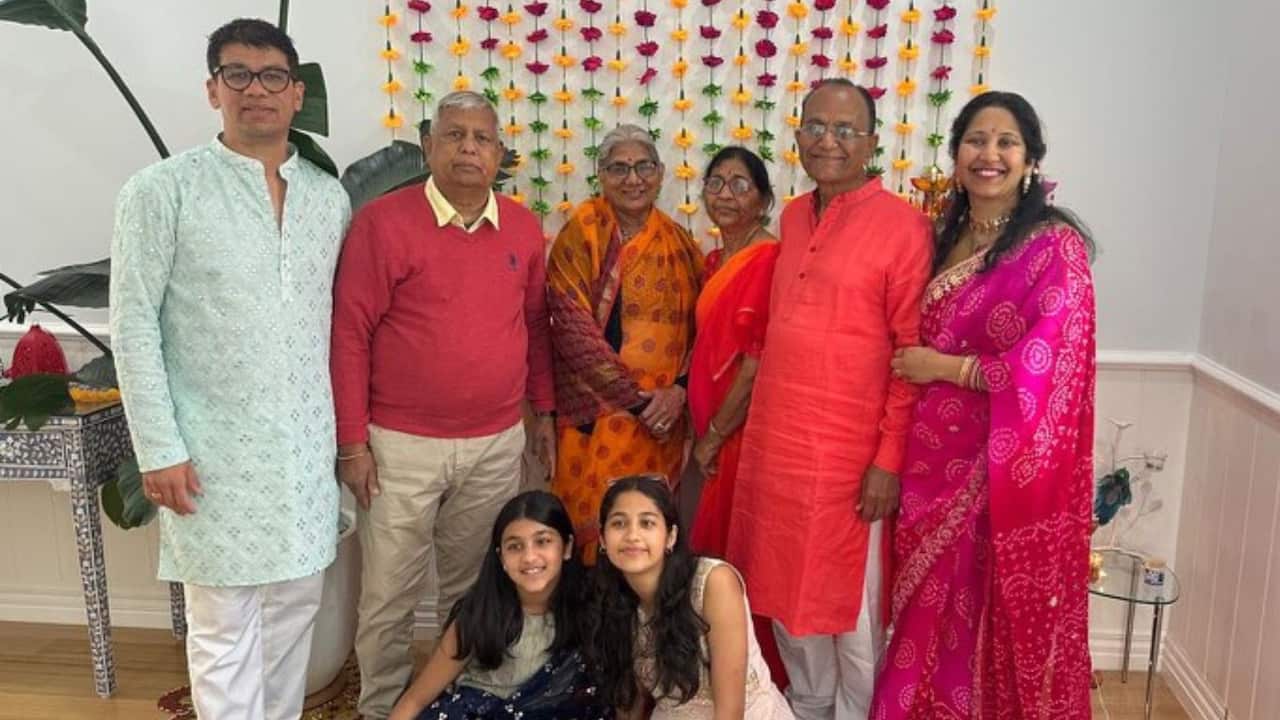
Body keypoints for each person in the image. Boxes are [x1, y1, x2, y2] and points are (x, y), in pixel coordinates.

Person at [110, 18, 350, 720]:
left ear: (297, 94)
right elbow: (131, 326)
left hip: (302, 453)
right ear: (213, 89)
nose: (256, 91)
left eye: (273, 76)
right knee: (223, 630)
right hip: (206, 454)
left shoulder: (326, 199)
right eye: (237, 75)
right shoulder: (162, 192)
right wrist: (159, 449)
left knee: (293, 617)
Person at [330, 91, 557, 719]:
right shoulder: (383, 223)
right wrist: (352, 442)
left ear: (500, 153)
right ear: (428, 146)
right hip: (398, 445)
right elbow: (349, 332)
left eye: (481, 139)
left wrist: (543, 412)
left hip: (494, 443)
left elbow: (535, 326)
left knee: (474, 588)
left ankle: (462, 702)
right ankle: (381, 708)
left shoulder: (521, 225)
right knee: (388, 595)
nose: (468, 149)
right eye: (453, 136)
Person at [871, 91, 1097, 719]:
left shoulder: (1054, 249)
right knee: (922, 616)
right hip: (925, 463)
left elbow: (1051, 366)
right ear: (956, 153)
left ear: (1030, 160)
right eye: (975, 140)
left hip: (999, 473)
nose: (988, 154)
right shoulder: (940, 235)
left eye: (1006, 143)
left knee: (981, 612)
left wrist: (946, 368)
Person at [724, 79, 933, 720]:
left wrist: (888, 460)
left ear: (872, 141)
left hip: (851, 458)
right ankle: (806, 708)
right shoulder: (791, 216)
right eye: (815, 127)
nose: (828, 141)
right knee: (787, 594)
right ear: (797, 135)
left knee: (854, 618)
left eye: (845, 130)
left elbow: (909, 355)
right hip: (779, 447)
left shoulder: (904, 226)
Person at [547, 124, 703, 563]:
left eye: (643, 167)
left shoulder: (679, 243)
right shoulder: (582, 231)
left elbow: (701, 332)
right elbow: (571, 328)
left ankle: (645, 630)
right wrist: (640, 404)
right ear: (600, 175)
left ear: (660, 173)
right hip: (596, 419)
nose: (632, 179)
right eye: (619, 168)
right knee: (593, 535)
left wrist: (678, 394)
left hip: (662, 425)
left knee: (646, 538)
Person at [387, 491, 609, 720]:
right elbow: (416, 699)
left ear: (567, 547)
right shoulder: (479, 615)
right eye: (515, 546)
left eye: (542, 541)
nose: (529, 557)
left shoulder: (591, 610)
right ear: (501, 557)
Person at [588, 475, 794, 719]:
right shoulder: (612, 601)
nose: (632, 535)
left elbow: (730, 712)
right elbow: (628, 702)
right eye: (619, 524)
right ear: (602, 539)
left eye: (647, 523)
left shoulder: (713, 583)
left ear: (671, 536)